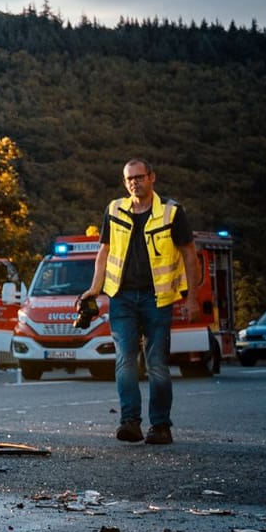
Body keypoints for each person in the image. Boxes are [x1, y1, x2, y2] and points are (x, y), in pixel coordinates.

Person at [82, 159, 195, 445]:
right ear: (124, 182)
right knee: (125, 362)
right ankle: (130, 422)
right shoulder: (114, 209)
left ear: (152, 178)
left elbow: (189, 253)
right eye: (129, 178)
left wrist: (191, 296)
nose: (135, 182)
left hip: (158, 297)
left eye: (140, 177)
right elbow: (104, 252)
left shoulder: (172, 212)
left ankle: (160, 427)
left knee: (156, 363)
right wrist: (94, 289)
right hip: (121, 297)